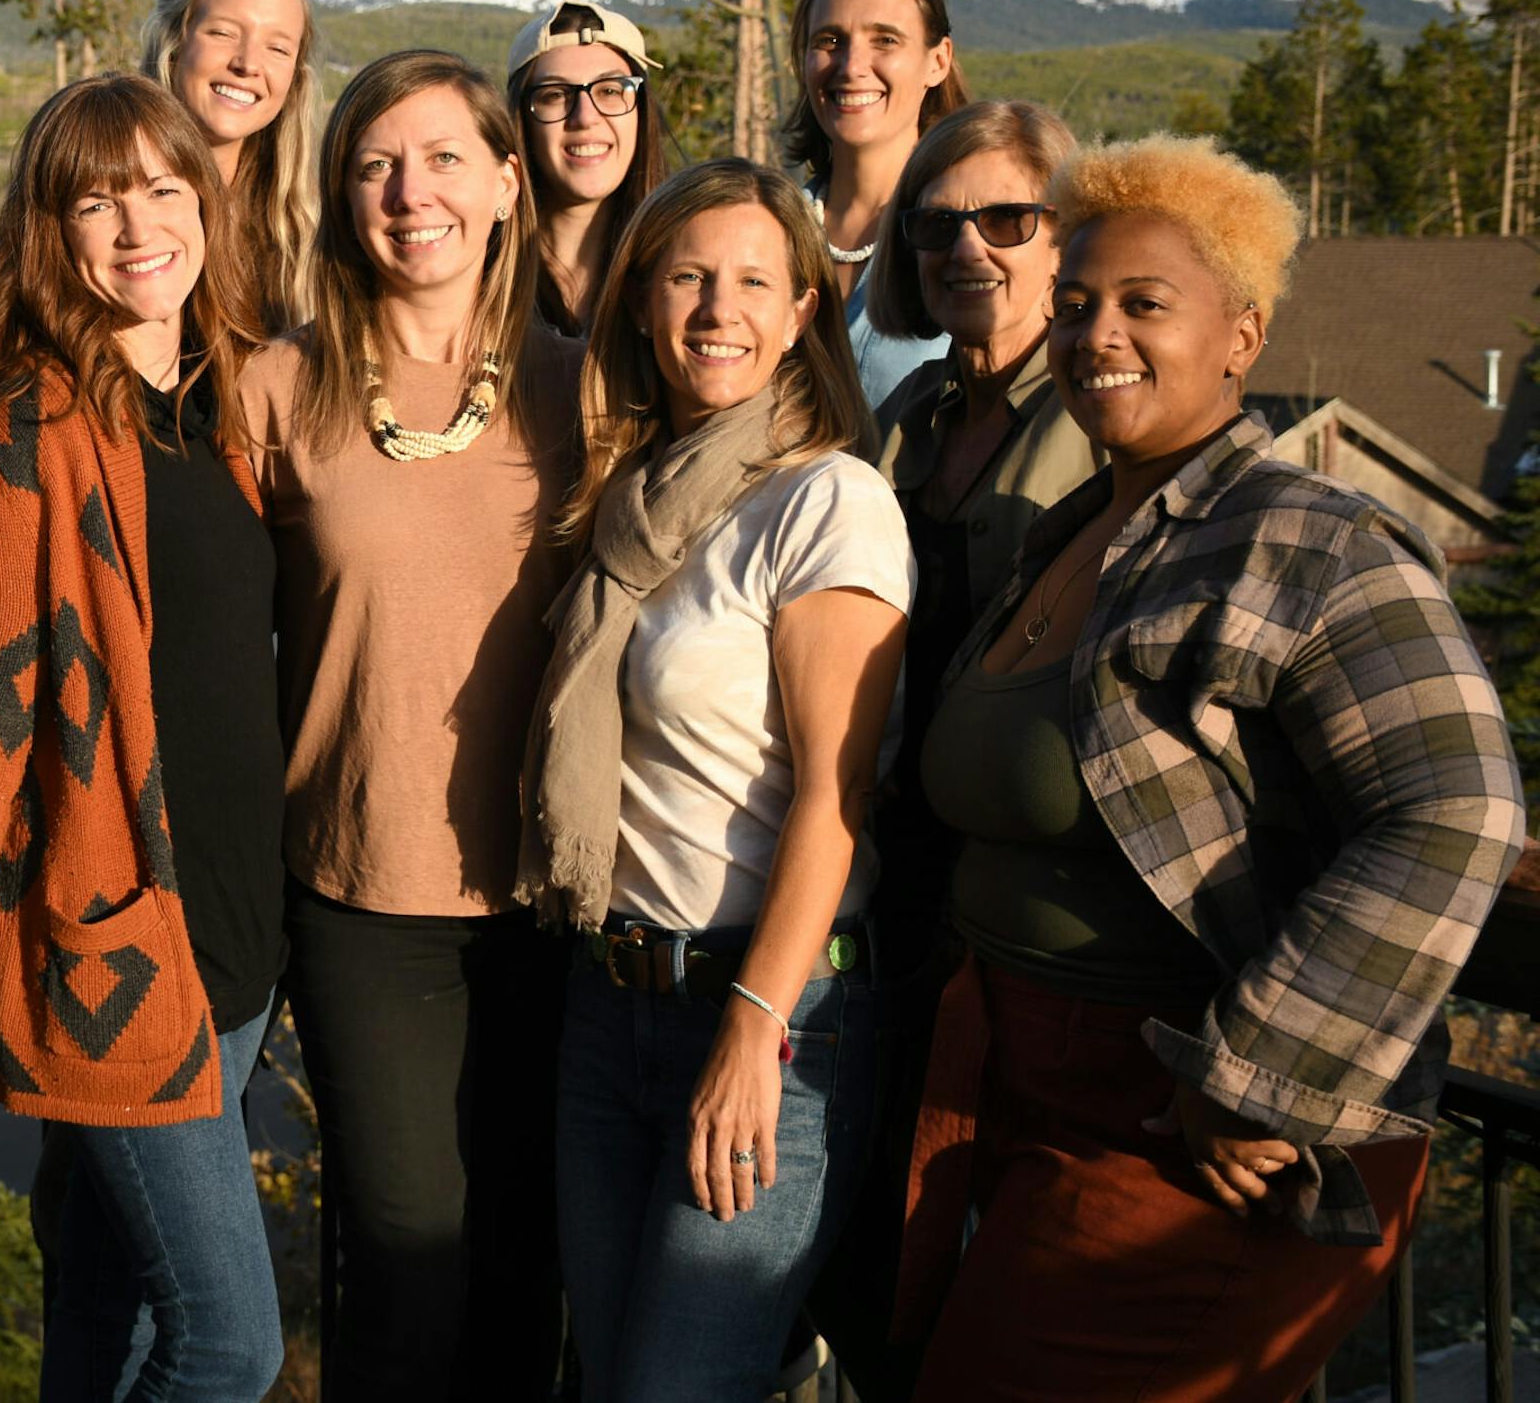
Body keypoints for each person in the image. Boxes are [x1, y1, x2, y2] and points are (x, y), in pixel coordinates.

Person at [898, 137, 1525, 1402]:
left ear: (1241, 337)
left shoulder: (1312, 539)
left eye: (1143, 305)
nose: (1095, 336)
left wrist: (1260, 1075)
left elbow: (1459, 808)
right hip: (1008, 1082)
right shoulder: (1085, 529)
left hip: (1189, 1124)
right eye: (1073, 307)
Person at [523, 157, 908, 1403]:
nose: (716, 310)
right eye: (687, 277)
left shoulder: (827, 502)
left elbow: (834, 800)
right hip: (607, 1002)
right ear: (641, 302)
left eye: (754, 281)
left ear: (804, 311)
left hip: (766, 1013)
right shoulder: (627, 500)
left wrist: (754, 1028)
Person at [0, 74, 285, 1401]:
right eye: (96, 199)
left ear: (203, 202)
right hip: (121, 945)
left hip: (237, 938)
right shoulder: (29, 428)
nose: (138, 226)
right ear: (48, 232)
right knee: (229, 1350)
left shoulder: (220, 404)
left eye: (162, 188)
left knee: (109, 1315)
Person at [239, 49, 583, 1401]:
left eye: (444, 158)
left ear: (508, 182)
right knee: (398, 1252)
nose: (410, 191)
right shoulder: (280, 389)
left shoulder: (587, 389)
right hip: (360, 892)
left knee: (525, 1257)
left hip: (558, 898)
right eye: (376, 164)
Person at [806, 99, 1098, 1398]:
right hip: (887, 895)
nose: (967, 246)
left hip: (1025, 928)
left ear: (1066, 240)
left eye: (1007, 218)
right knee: (874, 1265)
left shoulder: (1105, 423)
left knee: (987, 1296)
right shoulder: (913, 414)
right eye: (935, 223)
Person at [0, 0, 321, 331]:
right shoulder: (86, 168)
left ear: (295, 78)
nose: (247, 64)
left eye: (278, 48)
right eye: (223, 33)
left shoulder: (304, 229)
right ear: (174, 43)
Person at [780, 0, 970, 406]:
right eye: (829, 41)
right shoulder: (769, 232)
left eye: (885, 39)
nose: (851, 66)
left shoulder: (973, 237)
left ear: (937, 61)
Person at [504, 0, 675, 338]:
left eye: (611, 90)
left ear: (641, 112)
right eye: (555, 95)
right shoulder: (480, 276)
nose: (585, 117)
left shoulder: (681, 265)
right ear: (521, 120)